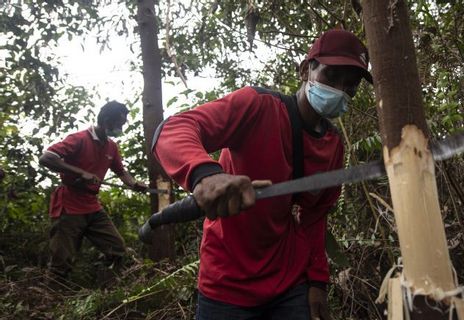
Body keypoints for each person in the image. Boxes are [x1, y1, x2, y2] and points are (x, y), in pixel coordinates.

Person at [153, 29, 372, 319]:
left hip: (289, 285)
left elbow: (315, 217)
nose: (340, 91)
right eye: (332, 77)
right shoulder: (257, 106)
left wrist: (318, 281)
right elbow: (174, 129)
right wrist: (205, 174)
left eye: (350, 86)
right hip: (226, 284)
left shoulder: (333, 146)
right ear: (306, 70)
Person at [39, 101, 147, 284]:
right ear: (106, 121)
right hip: (69, 205)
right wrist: (80, 172)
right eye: (119, 124)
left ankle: (106, 287)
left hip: (92, 206)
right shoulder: (79, 139)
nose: (121, 128)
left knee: (117, 248)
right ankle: (51, 299)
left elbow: (121, 172)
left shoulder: (111, 147)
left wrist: (134, 184)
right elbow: (46, 157)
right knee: (62, 260)